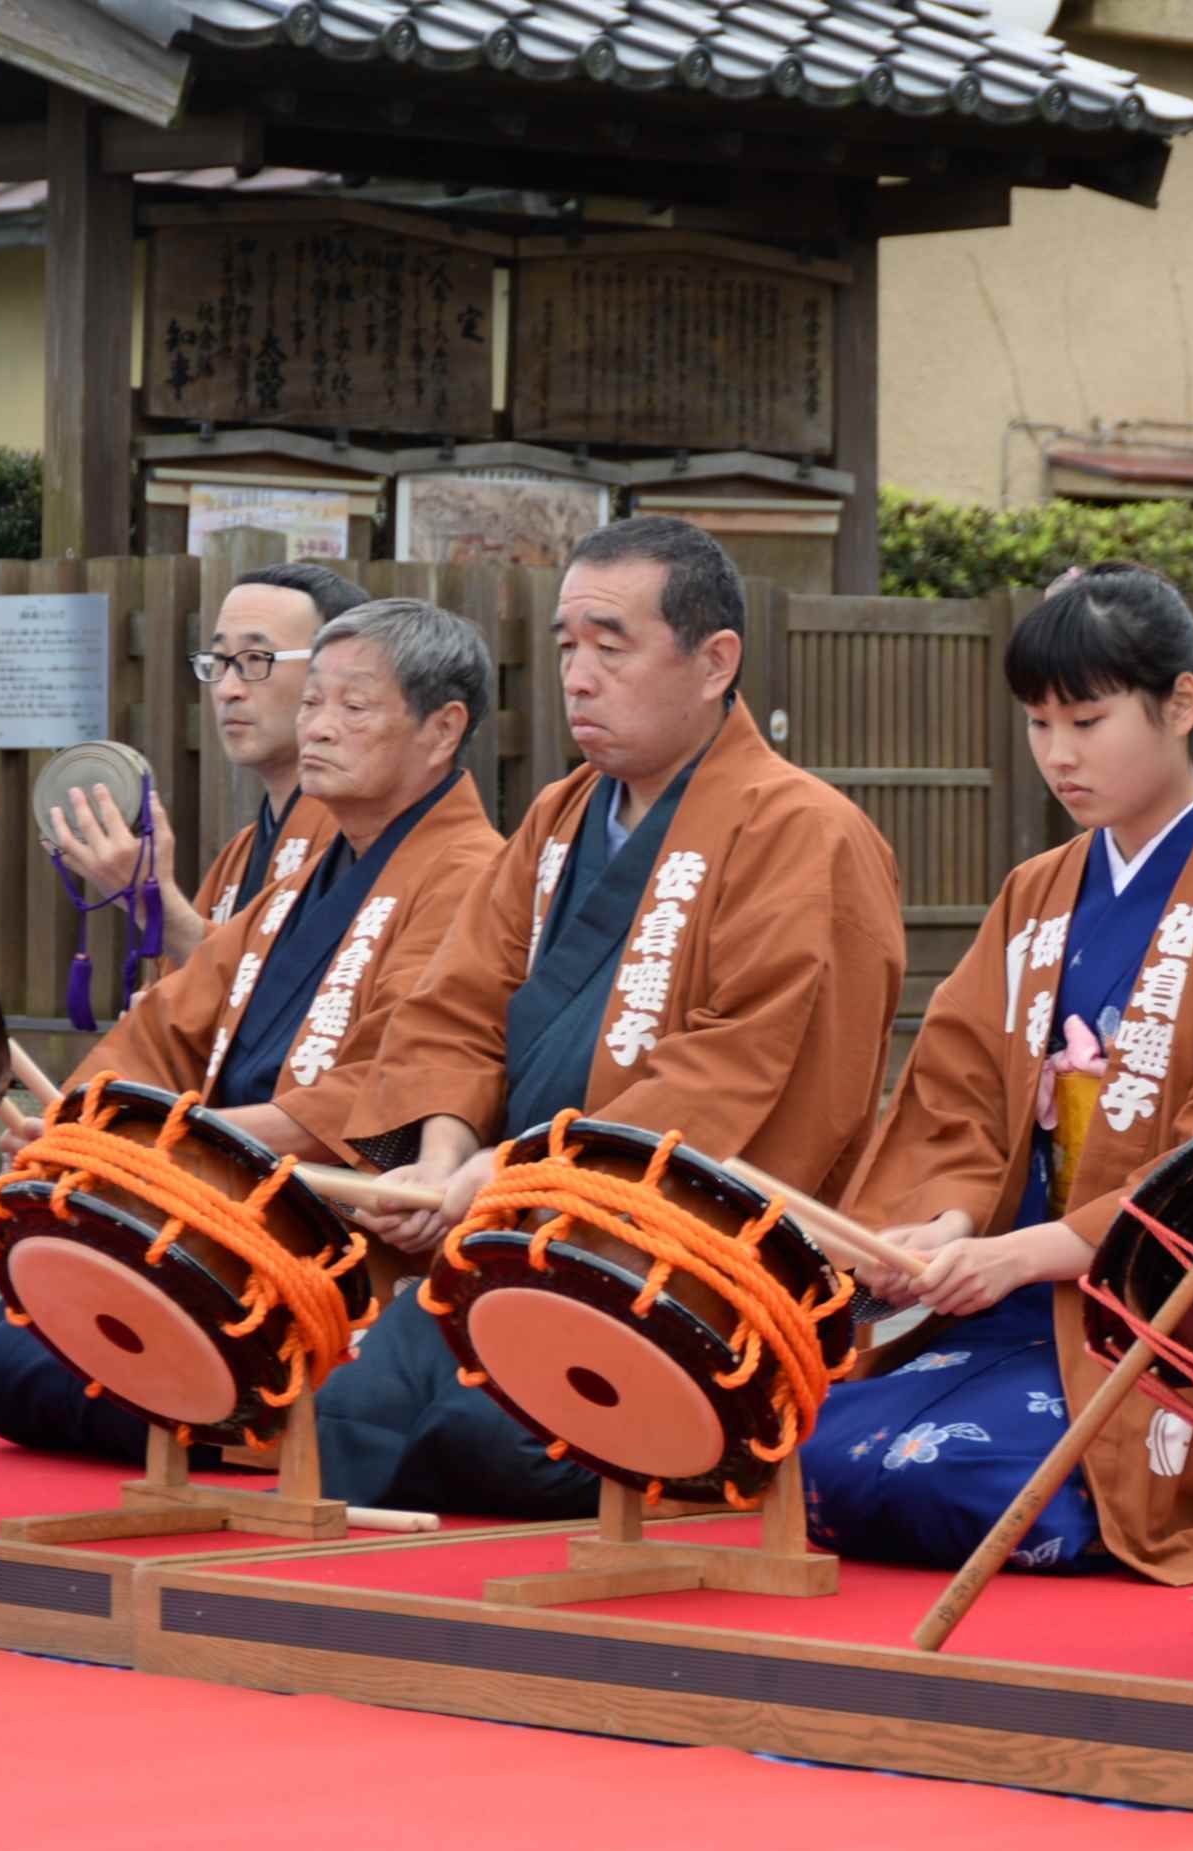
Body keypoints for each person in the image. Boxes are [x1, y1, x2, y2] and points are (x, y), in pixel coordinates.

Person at [795, 562, 1193, 1585]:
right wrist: (942, 1225)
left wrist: (1035, 1251)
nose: (1057, 756)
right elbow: (958, 1090)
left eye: (1086, 720)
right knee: (827, 1455)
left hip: (1176, 1325)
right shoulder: (1038, 892)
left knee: (950, 1477)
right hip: (1021, 1305)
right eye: (1037, 724)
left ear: (1180, 703)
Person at [317, 516, 906, 1515]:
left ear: (715, 659)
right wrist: (440, 1153)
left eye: (610, 643)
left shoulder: (805, 831)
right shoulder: (556, 817)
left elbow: (736, 1070)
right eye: (565, 646)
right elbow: (456, 1003)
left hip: (678, 1265)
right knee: (346, 1412)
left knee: (493, 1443)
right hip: (510, 1236)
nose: (578, 676)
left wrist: (500, 1173)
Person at [0, 598, 506, 1462]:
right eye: (315, 702)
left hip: (318, 1235)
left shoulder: (475, 873)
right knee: (13, 1344)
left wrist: (160, 1146)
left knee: (22, 1362)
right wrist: (75, 1130)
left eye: (352, 707)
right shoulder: (304, 872)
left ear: (442, 730)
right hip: (210, 1208)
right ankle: (229, 1413)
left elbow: (380, 1090)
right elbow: (170, 1028)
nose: (318, 727)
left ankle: (253, 1418)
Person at [42, 562, 370, 971]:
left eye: (255, 659)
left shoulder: (359, 841)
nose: (228, 690)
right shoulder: (240, 852)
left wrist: (152, 901)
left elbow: (284, 998)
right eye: (218, 660)